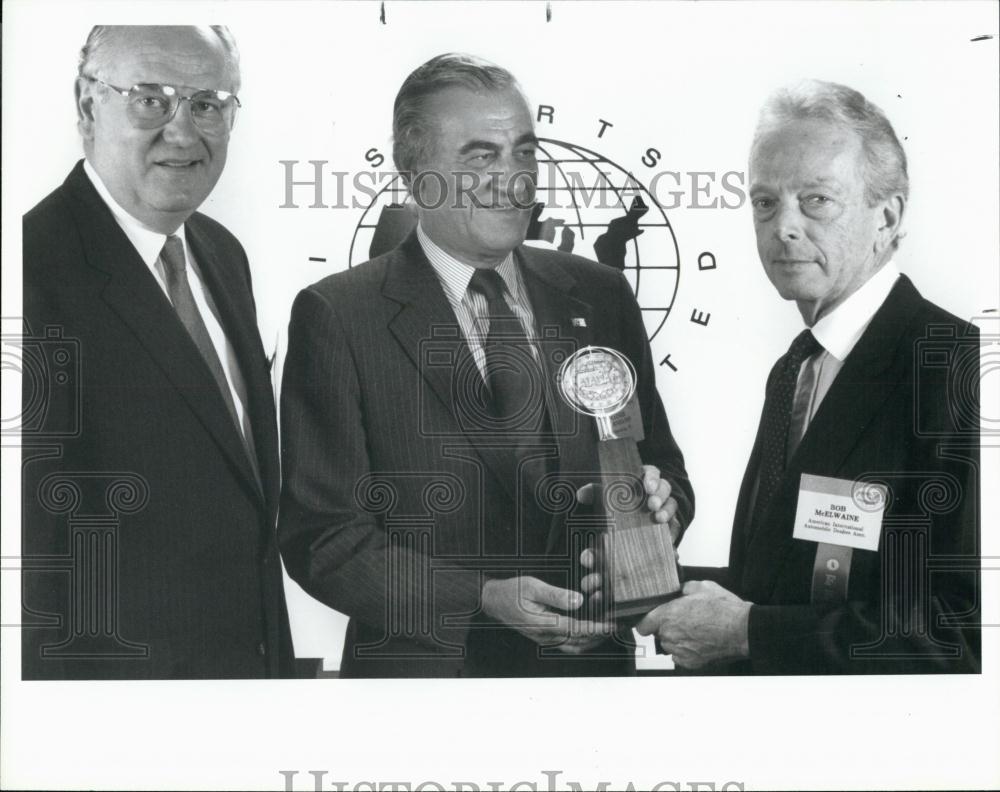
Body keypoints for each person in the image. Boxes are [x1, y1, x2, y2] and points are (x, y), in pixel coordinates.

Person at [278, 53, 694, 677]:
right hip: (428, 693)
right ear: (416, 175)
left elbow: (667, 473)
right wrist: (478, 601)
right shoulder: (338, 316)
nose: (515, 179)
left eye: (525, 153)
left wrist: (659, 509)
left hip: (592, 682)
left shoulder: (601, 295)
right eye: (481, 156)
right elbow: (325, 540)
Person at [624, 80, 980, 674]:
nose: (783, 226)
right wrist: (640, 586)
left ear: (886, 217)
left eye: (816, 200)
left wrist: (747, 634)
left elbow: (967, 633)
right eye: (766, 202)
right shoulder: (795, 370)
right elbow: (783, 578)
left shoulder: (957, 368)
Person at [21, 25, 291, 679]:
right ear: (88, 105)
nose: (182, 131)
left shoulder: (222, 255)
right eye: (151, 99)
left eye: (207, 104)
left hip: (254, 687)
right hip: (120, 711)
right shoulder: (30, 268)